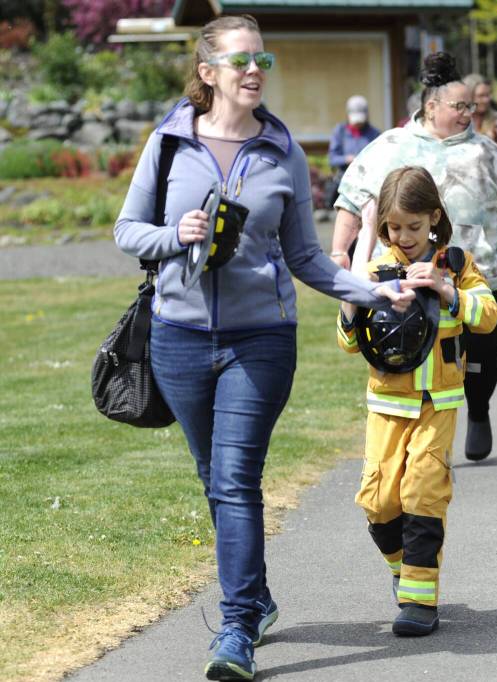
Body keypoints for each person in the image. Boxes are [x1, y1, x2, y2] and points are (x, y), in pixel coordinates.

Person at [113, 14, 415, 680]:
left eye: (263, 62)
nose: (255, 71)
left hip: (261, 342)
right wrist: (175, 236)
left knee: (233, 480)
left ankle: (237, 626)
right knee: (214, 481)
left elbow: (307, 256)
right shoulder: (167, 145)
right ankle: (257, 593)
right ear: (208, 71)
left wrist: (373, 293)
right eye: (243, 61)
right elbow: (127, 231)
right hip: (178, 339)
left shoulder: (281, 151)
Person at [331, 52, 497, 461]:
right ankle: (421, 435)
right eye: (460, 106)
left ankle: (480, 409)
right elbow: (351, 199)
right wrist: (338, 252)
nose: (470, 112)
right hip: (408, 279)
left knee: (482, 359)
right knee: (420, 356)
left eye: (472, 105)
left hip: (479, 277)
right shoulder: (389, 147)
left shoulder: (488, 152)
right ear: (431, 107)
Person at [337, 165, 497, 636]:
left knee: (423, 490)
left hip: (438, 399)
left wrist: (447, 291)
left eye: (414, 226)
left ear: (434, 217)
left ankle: (419, 600)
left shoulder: (456, 263)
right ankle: (403, 567)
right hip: (388, 403)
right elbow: (349, 342)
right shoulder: (374, 268)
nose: (404, 237)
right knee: (379, 499)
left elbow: (487, 316)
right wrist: (359, 291)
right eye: (394, 227)